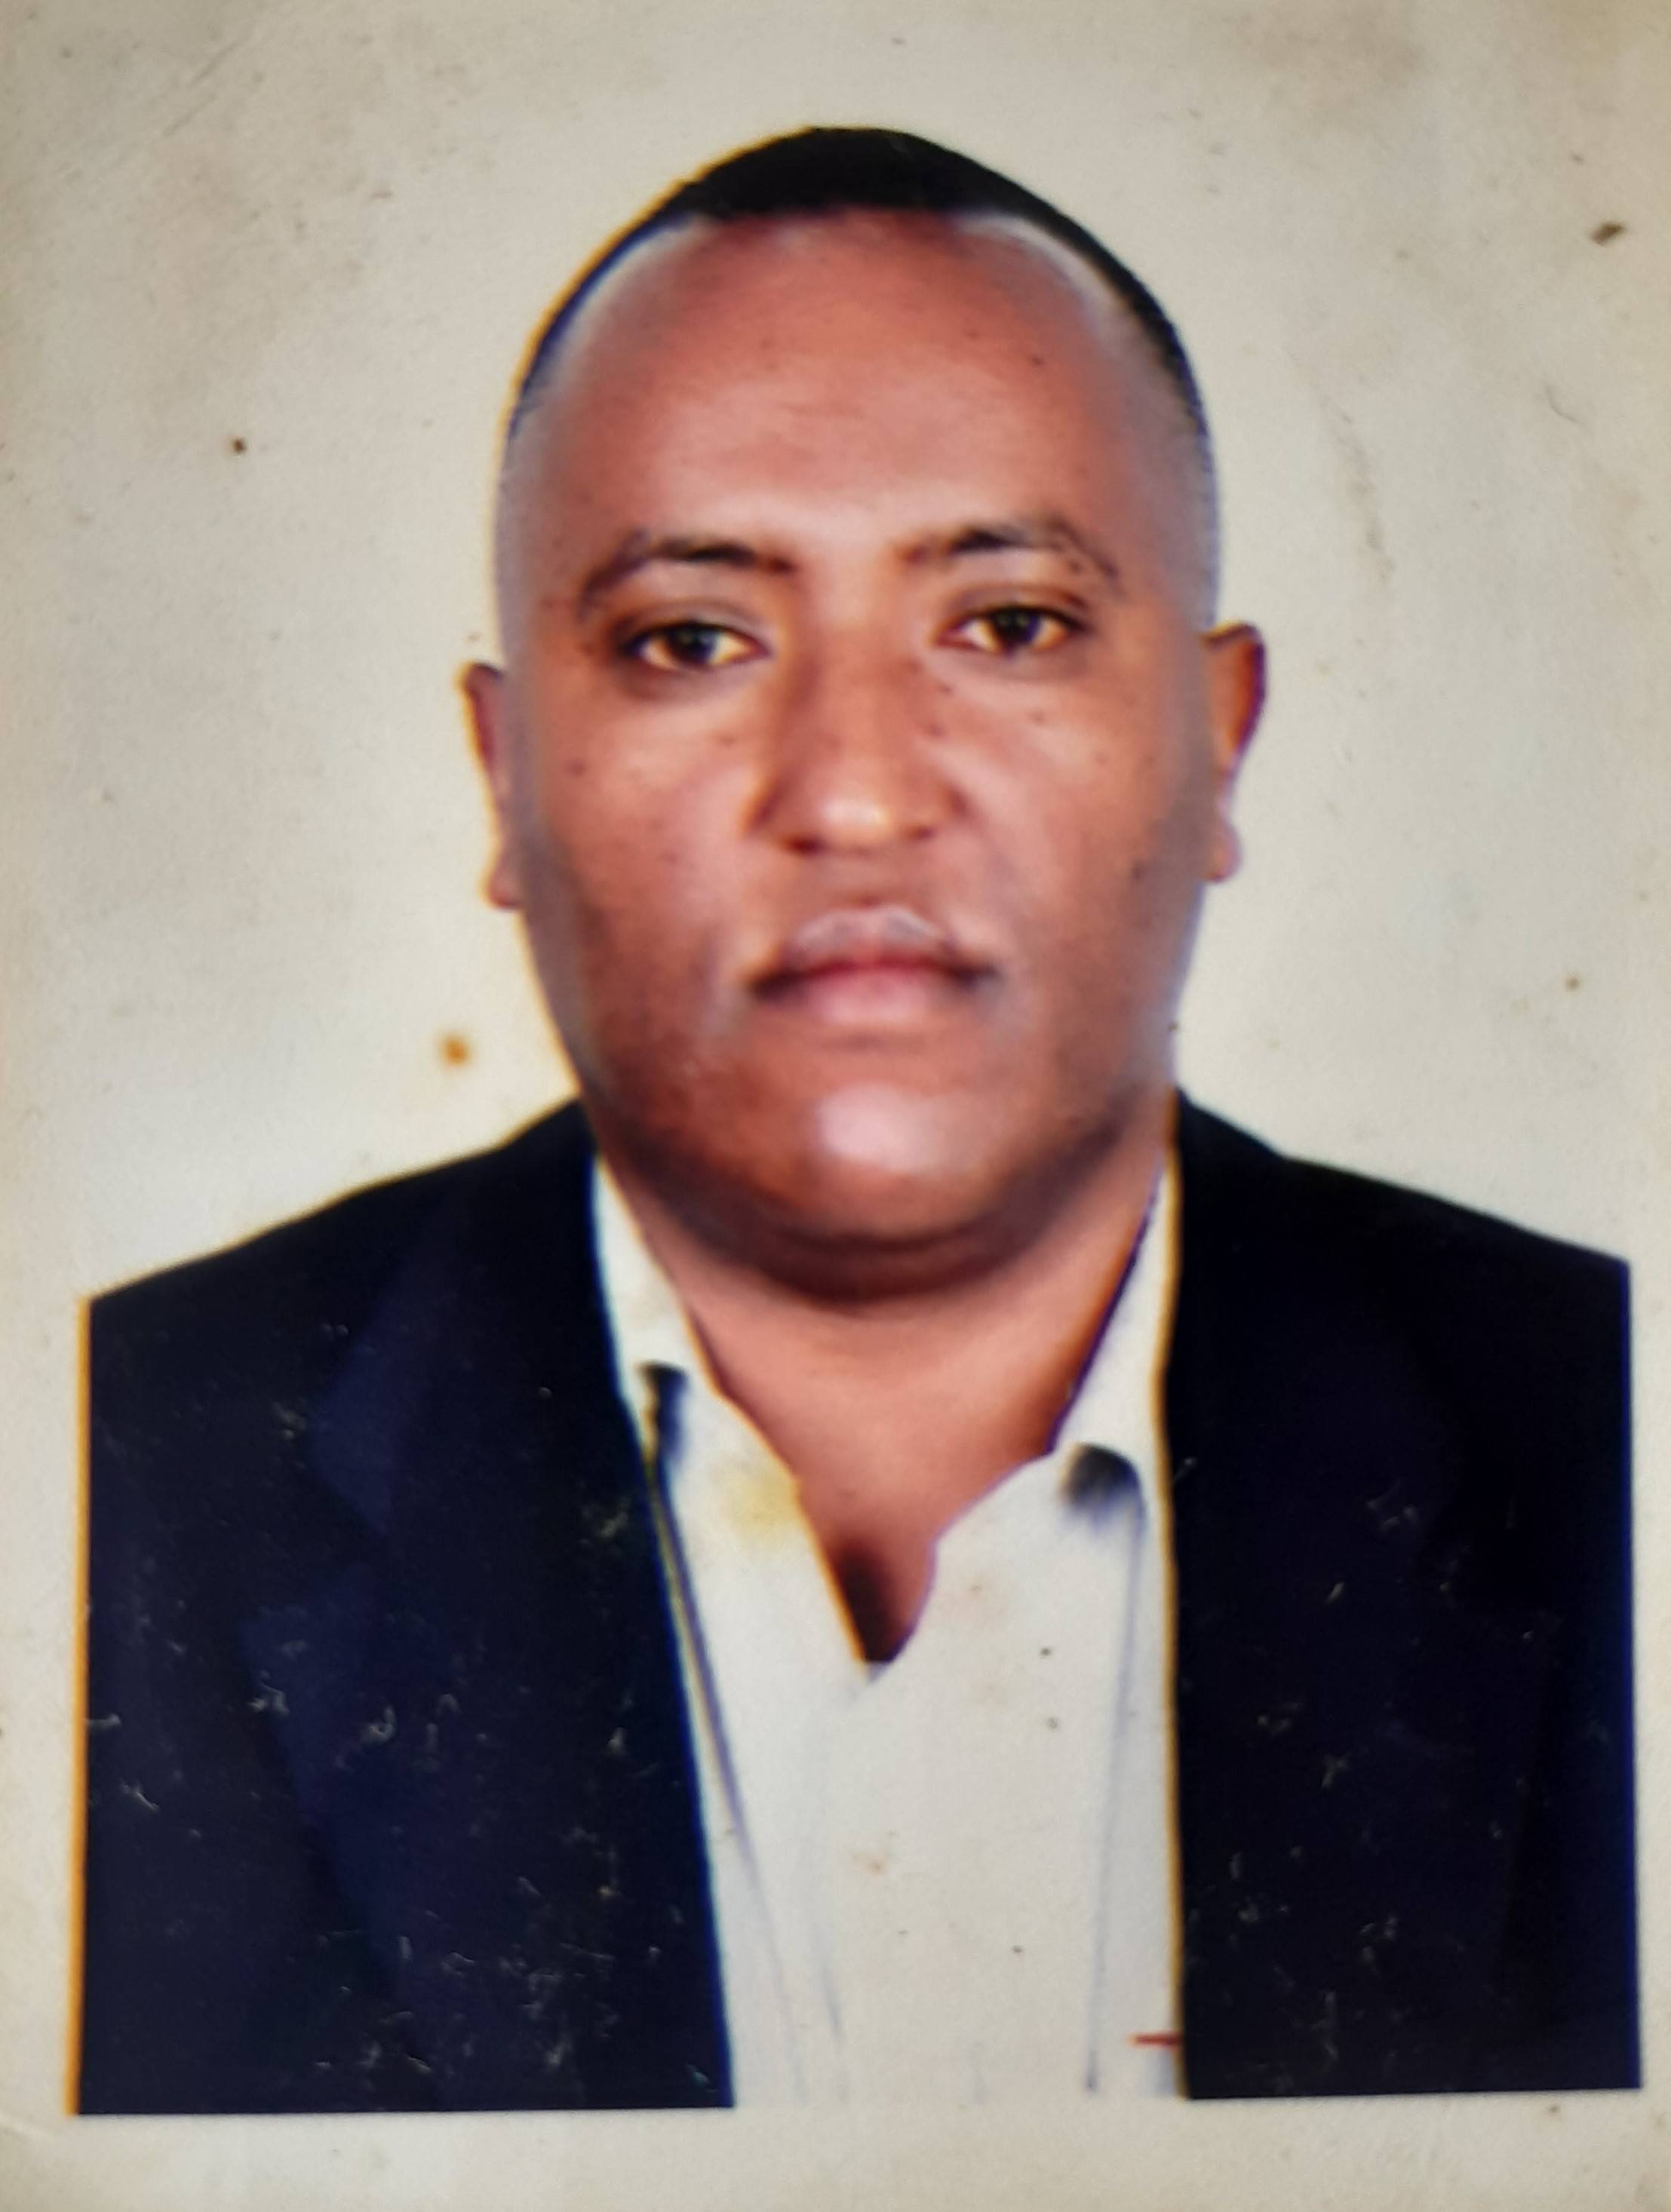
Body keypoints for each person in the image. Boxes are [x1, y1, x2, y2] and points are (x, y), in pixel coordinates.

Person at [78, 127, 1636, 2114]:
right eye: (692, 642)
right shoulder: (116, 1471)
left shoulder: (1611, 1427)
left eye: (1010, 624)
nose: (858, 794)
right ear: (504, 777)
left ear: (1220, 738)